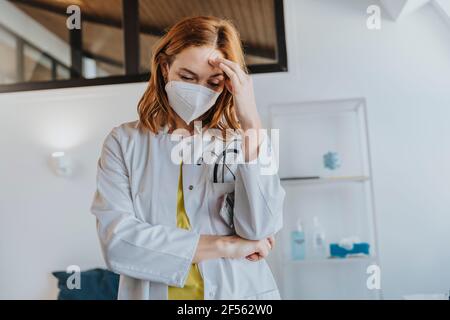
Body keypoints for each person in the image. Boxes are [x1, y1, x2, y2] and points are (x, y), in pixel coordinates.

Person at [90, 16, 285, 300]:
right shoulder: (124, 142)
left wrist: (251, 121)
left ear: (228, 85)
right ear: (165, 67)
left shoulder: (240, 142)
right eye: (187, 77)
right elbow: (119, 245)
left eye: (213, 82)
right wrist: (228, 246)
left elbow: (260, 228)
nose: (197, 91)